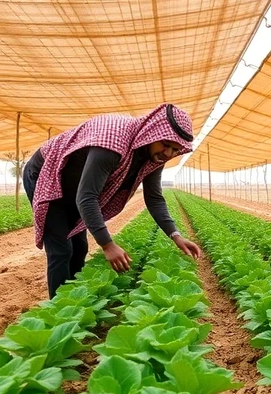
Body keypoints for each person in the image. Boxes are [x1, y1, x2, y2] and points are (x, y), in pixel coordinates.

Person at [23, 103, 203, 297]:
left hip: (77, 188)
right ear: (153, 133)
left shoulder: (154, 156)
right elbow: (87, 197)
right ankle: (58, 310)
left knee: (80, 247)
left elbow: (154, 198)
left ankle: (73, 299)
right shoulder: (112, 140)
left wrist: (175, 235)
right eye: (165, 145)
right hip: (48, 177)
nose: (168, 153)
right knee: (61, 249)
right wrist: (107, 245)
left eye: (174, 150)